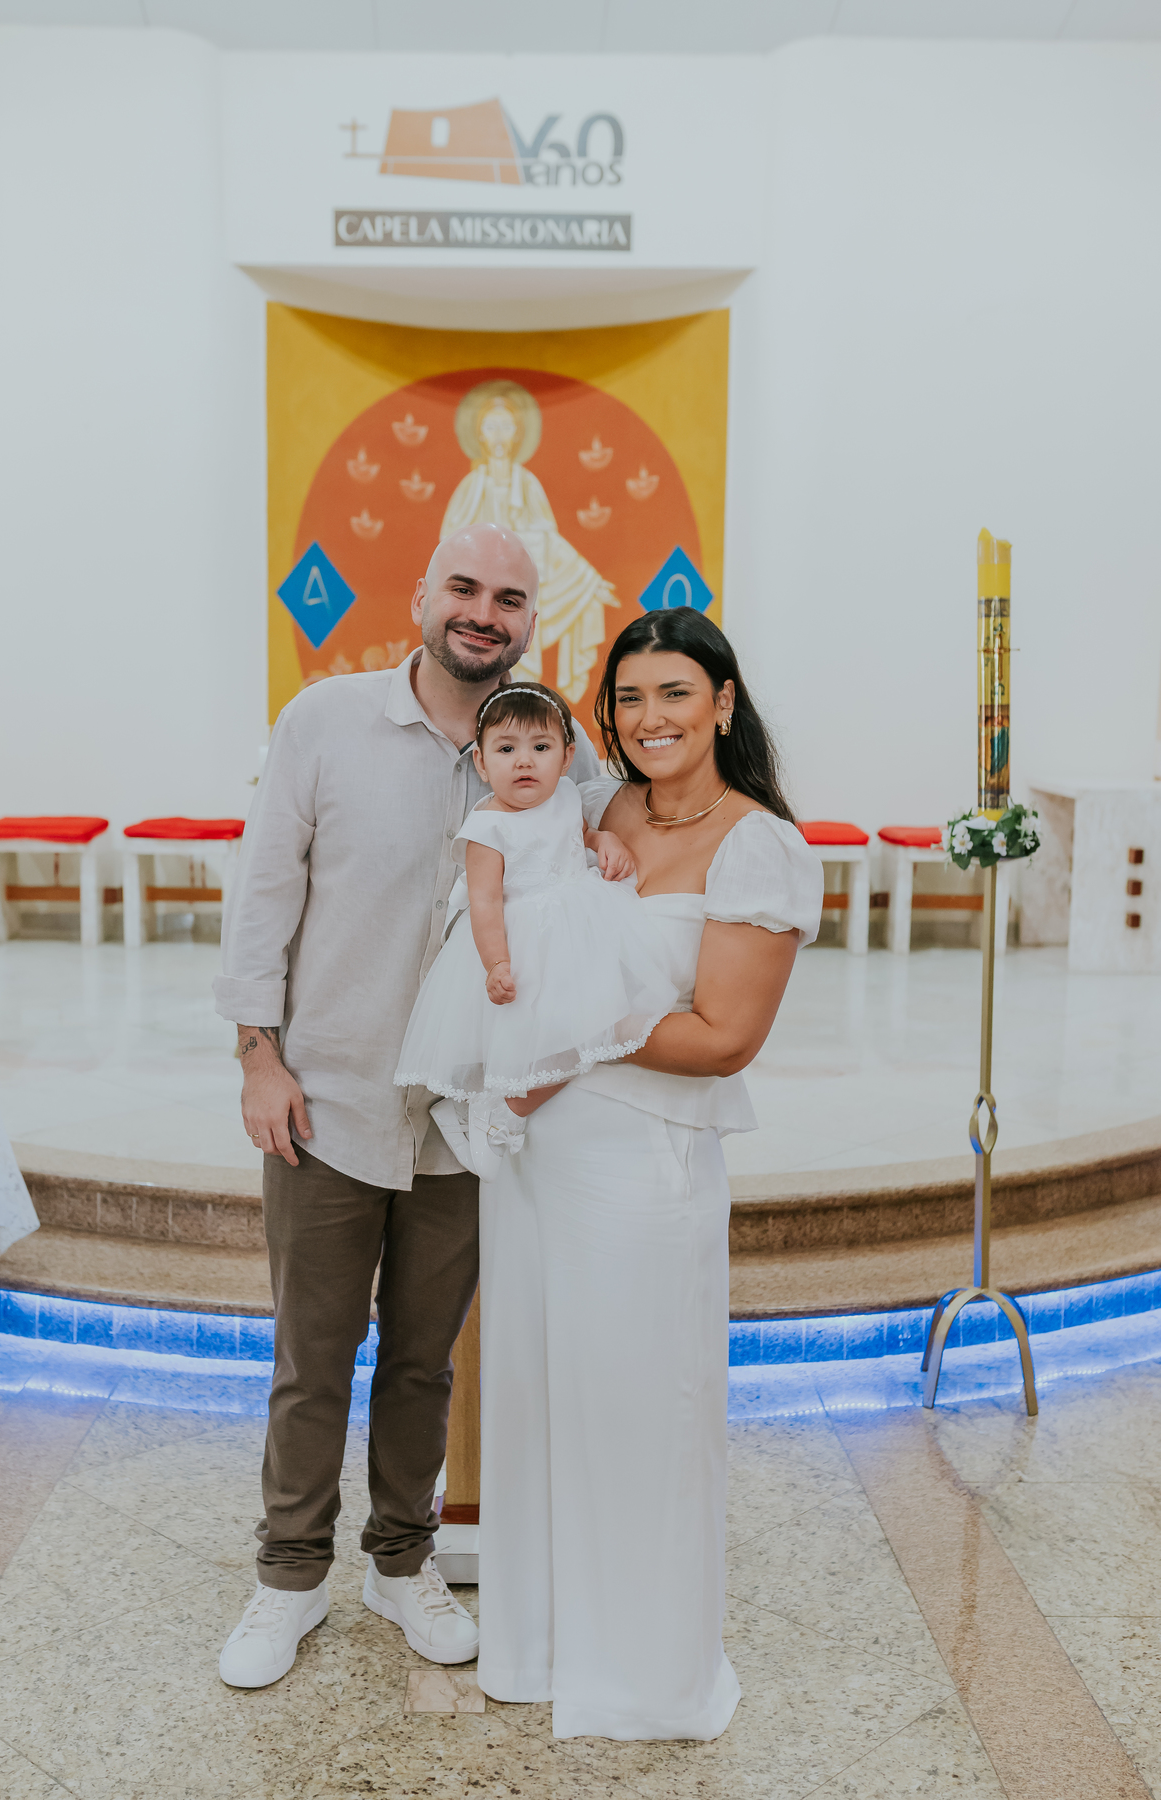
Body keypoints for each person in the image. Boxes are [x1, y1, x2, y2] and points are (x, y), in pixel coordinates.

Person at [212, 522, 601, 1689]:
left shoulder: (556, 755)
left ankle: (398, 1562)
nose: (486, 612)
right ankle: (287, 1581)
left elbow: (606, 864)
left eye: (513, 599)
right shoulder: (326, 721)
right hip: (327, 1096)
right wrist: (257, 1056)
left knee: (424, 1359)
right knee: (313, 1354)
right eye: (467, 589)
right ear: (424, 595)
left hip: (462, 1115)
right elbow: (265, 889)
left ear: (537, 621)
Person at [476, 606, 824, 1741]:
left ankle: (644, 1673)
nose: (650, 717)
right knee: (542, 1393)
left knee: (638, 1412)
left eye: (675, 693)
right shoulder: (608, 808)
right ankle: (541, 1647)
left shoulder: (758, 843)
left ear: (723, 701)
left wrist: (570, 1031)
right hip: (540, 1154)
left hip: (642, 1166)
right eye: (629, 698)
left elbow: (722, 1037)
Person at [393, 681, 678, 1178]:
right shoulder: (487, 826)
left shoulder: (567, 796)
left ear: (567, 758)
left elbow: (577, 835)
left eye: (540, 748)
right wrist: (497, 963)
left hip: (580, 927)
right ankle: (498, 1110)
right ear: (482, 763)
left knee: (602, 1025)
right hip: (523, 941)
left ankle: (501, 1109)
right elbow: (483, 901)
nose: (524, 762)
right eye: (506, 750)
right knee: (545, 1039)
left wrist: (603, 837)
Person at [439, 381, 617, 705]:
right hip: (477, 602)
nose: (498, 435)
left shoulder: (528, 484)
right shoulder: (471, 487)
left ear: (517, 433)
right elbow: (447, 549)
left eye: (505, 426)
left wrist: (588, 580)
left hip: (515, 601)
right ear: (479, 433)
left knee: (521, 669)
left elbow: (550, 540)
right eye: (491, 426)